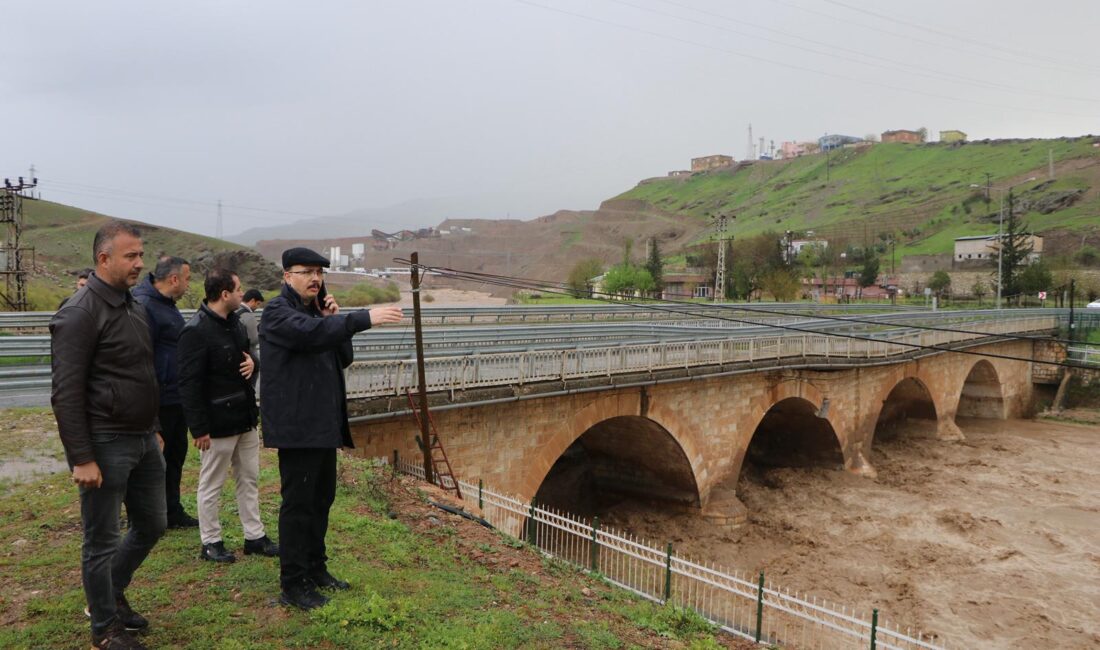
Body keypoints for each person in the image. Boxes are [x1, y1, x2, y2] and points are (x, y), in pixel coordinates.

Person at [260, 247, 402, 610]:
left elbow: (344, 358)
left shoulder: (315, 315)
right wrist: (359, 319)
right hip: (298, 427)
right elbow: (306, 335)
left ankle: (315, 568)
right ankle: (293, 584)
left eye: (319, 273)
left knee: (321, 499)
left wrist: (335, 323)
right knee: (299, 505)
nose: (315, 278)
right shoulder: (279, 312)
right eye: (306, 271)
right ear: (286, 276)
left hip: (322, 425)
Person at [50, 220, 166, 650]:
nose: (140, 263)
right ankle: (105, 628)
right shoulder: (80, 312)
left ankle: (110, 595)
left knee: (153, 523)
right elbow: (65, 392)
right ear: (104, 259)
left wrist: (153, 428)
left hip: (141, 438)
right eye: (131, 256)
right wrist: (81, 457)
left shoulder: (132, 305)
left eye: (141, 254)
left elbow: (141, 373)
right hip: (104, 440)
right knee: (101, 539)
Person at [177, 269, 278, 564]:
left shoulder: (235, 323)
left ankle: (254, 537)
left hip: (244, 417)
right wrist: (199, 428)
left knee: (249, 478)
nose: (241, 293)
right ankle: (211, 542)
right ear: (224, 294)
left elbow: (248, 358)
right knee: (212, 484)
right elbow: (188, 383)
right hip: (216, 423)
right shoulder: (194, 331)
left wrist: (253, 364)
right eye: (238, 289)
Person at [133, 255, 197, 529]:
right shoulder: (145, 306)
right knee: (152, 463)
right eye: (187, 279)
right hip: (157, 401)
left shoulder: (166, 305)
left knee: (174, 456)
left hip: (175, 398)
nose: (188, 285)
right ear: (174, 279)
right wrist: (151, 417)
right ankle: (145, 516)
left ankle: (171, 510)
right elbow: (140, 360)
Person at [236, 288, 264, 388]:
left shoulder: (234, 310)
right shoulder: (248, 315)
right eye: (258, 303)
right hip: (249, 358)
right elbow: (254, 339)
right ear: (252, 301)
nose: (257, 307)